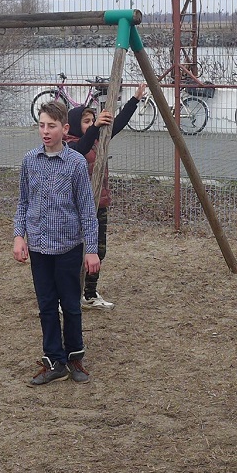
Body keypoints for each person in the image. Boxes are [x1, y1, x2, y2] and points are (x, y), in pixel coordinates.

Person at [14, 98, 101, 385]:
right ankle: (54, 361)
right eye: (41, 125)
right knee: (46, 305)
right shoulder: (29, 161)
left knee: (71, 305)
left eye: (51, 126)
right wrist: (19, 236)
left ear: (64, 129)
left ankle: (75, 357)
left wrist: (91, 249)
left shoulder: (76, 164)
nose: (45, 131)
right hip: (39, 246)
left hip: (68, 247)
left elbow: (88, 209)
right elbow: (23, 203)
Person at [65, 83, 147, 309]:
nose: (91, 125)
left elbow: (117, 125)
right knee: (73, 253)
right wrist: (95, 127)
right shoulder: (69, 146)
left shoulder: (97, 140)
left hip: (98, 205)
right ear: (73, 124)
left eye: (92, 120)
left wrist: (134, 100)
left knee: (99, 251)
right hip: (76, 208)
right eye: (86, 121)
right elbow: (81, 148)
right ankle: (67, 296)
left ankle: (90, 294)